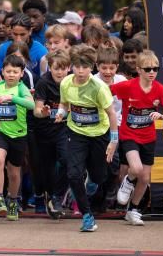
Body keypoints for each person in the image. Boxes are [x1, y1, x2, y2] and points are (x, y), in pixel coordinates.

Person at [54, 44, 118, 232]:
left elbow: (112, 114)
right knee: (73, 174)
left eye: (85, 67)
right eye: (77, 66)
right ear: (71, 66)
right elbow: (65, 103)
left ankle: (92, 183)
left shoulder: (99, 87)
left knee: (98, 177)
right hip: (76, 133)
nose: (81, 71)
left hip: (100, 135)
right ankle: (87, 216)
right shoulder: (66, 83)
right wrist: (60, 113)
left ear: (92, 67)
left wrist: (113, 141)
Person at [112, 50, 163, 226]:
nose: (152, 72)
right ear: (139, 69)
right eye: (148, 69)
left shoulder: (160, 89)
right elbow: (105, 93)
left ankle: (133, 210)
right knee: (136, 168)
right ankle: (128, 181)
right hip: (129, 134)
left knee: (145, 178)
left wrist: (162, 116)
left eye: (155, 68)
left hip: (148, 137)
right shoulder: (127, 86)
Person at [0, 54, 34, 221]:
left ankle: (13, 200)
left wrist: (12, 98)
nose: (11, 74)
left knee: (14, 172)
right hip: (0, 132)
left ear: (21, 74)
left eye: (15, 71)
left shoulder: (21, 88)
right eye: (8, 71)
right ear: (3, 72)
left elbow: (31, 105)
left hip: (19, 135)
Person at [32, 50, 71, 219]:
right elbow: (36, 111)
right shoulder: (43, 82)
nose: (59, 72)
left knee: (67, 160)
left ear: (69, 68)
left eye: (63, 68)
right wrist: (44, 112)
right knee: (46, 168)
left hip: (64, 129)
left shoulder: (72, 82)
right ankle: (50, 197)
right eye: (56, 68)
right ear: (50, 68)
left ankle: (57, 196)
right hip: (44, 130)